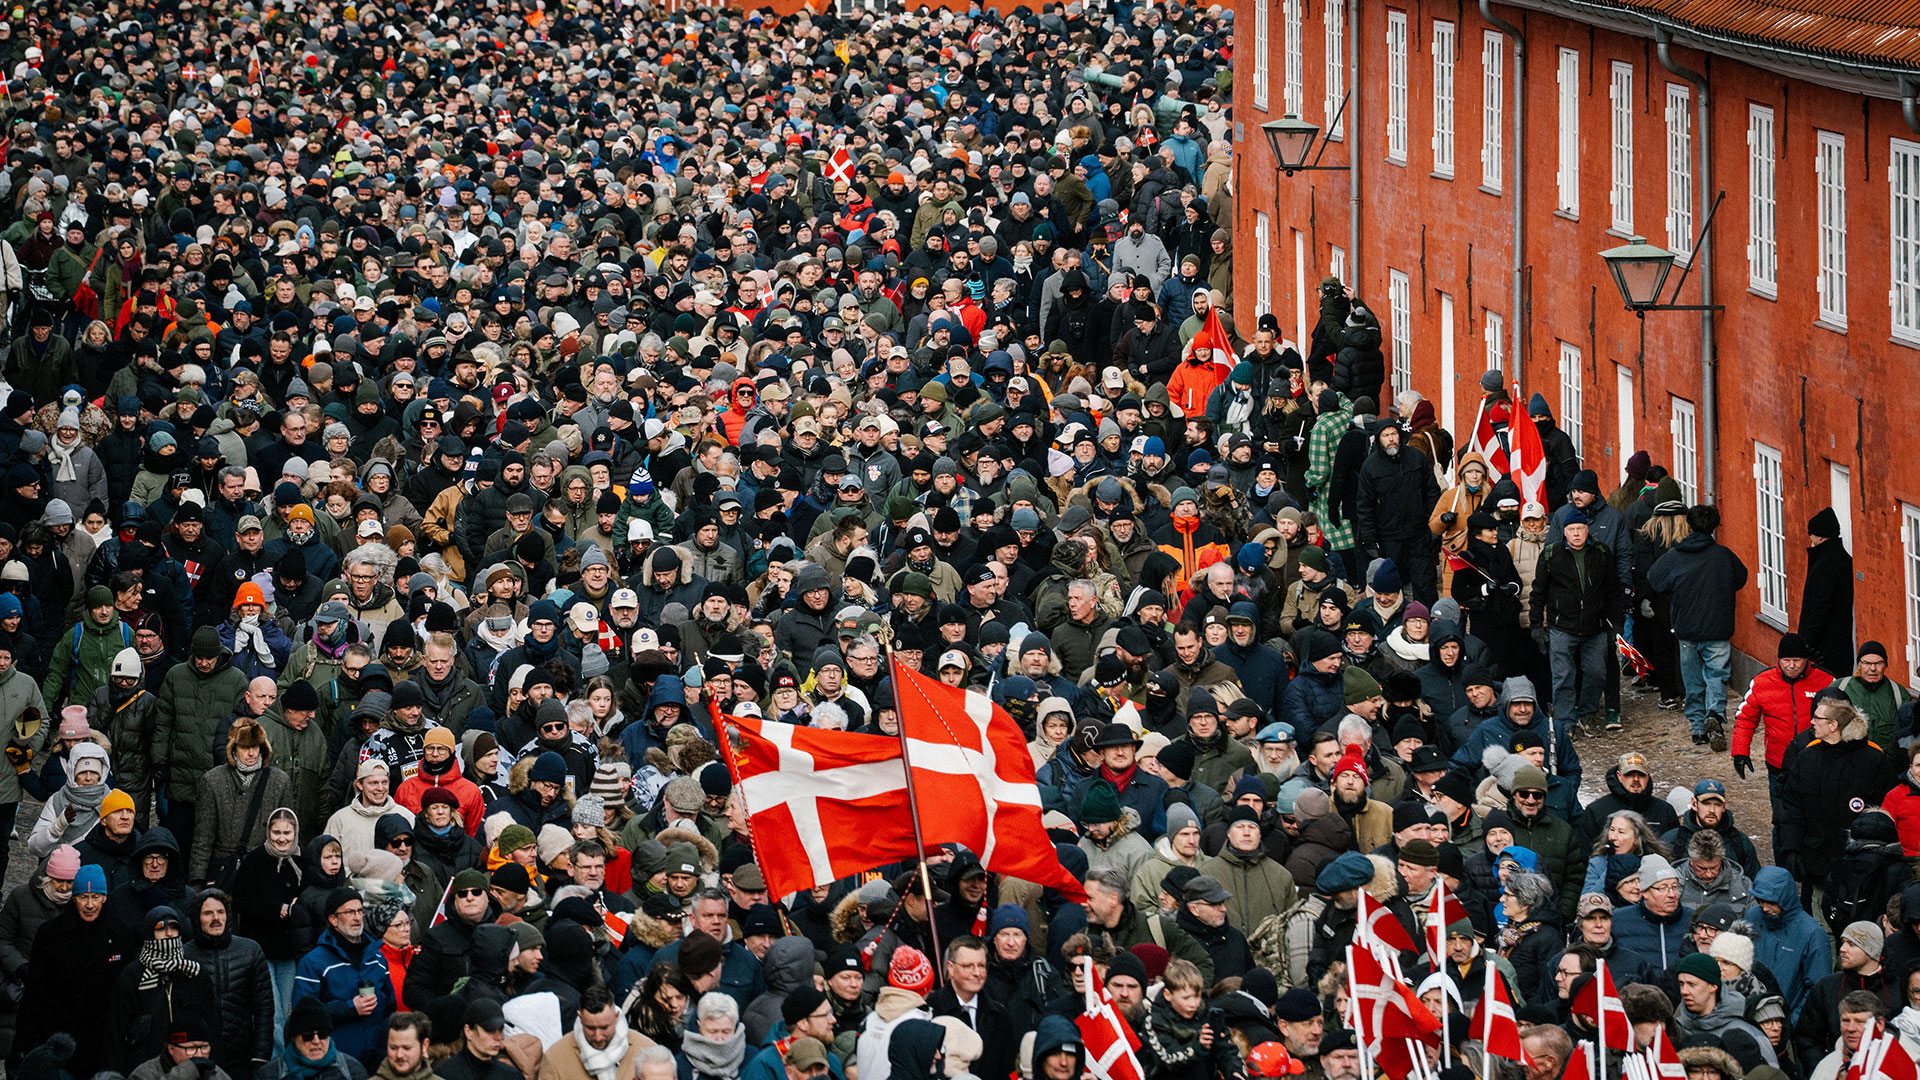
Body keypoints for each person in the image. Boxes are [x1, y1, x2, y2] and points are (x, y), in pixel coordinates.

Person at [1647, 505, 1750, 750]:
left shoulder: (1676, 555)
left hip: (1687, 627)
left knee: (1692, 680)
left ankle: (1697, 728)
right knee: (1716, 675)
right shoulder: (1723, 555)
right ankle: (1714, 713)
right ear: (1714, 527)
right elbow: (1741, 577)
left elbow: (1654, 578)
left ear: (1689, 526)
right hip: (1718, 626)